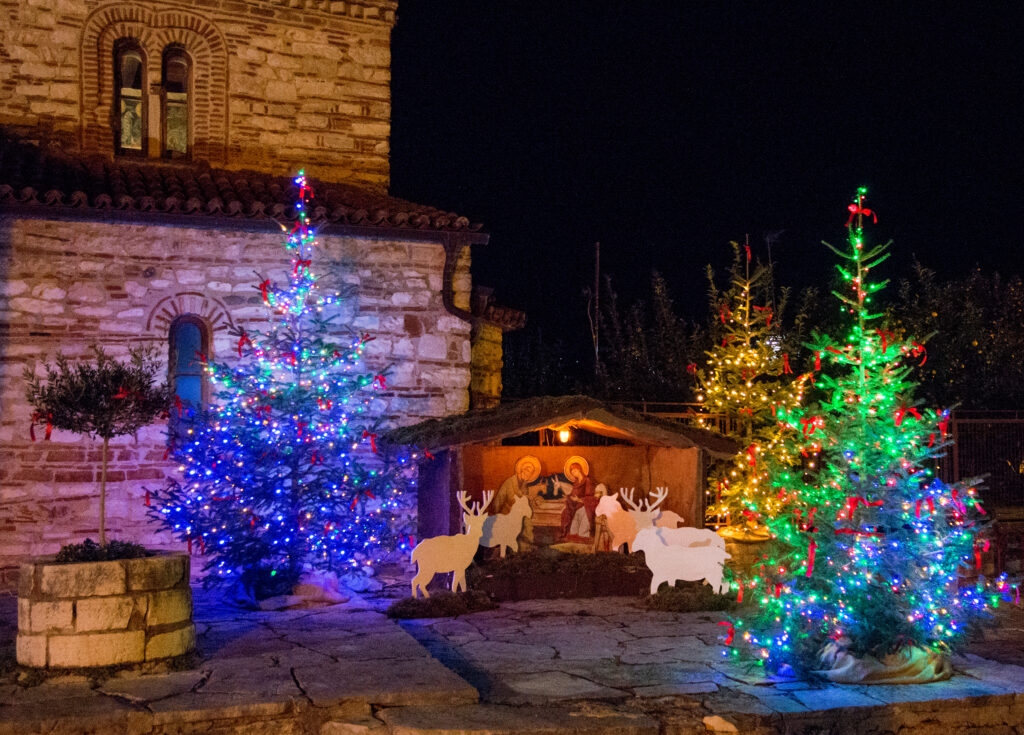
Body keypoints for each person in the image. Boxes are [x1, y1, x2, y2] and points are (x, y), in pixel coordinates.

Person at [492, 455, 541, 547]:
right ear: (523, 471)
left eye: (531, 474)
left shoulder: (524, 483)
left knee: (527, 522)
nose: (529, 476)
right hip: (508, 511)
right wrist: (496, 515)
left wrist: (533, 500)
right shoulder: (510, 482)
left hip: (519, 512)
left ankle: (526, 546)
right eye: (528, 473)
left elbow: (525, 498)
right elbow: (501, 499)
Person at [560, 456, 601, 542]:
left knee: (582, 532)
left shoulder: (587, 480)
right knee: (573, 530)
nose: (573, 473)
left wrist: (579, 500)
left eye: (574, 471)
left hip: (586, 507)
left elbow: (591, 496)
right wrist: (569, 497)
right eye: (572, 472)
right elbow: (573, 495)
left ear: (579, 469)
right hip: (577, 507)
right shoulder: (575, 483)